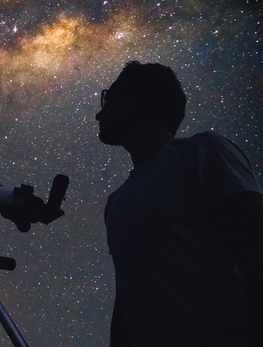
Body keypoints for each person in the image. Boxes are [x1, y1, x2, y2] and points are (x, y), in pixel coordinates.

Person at [95, 61, 263, 347]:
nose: (99, 113)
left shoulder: (204, 151)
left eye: (109, 99)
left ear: (135, 100)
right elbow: (127, 299)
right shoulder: (116, 202)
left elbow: (255, 247)